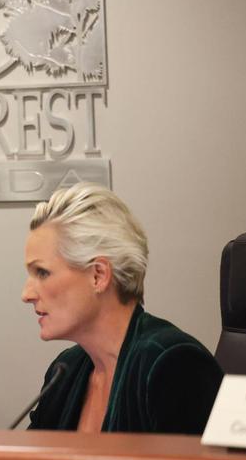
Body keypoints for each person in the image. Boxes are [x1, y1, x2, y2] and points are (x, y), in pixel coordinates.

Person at [21, 183, 222, 433]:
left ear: (98, 275)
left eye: (42, 272)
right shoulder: (65, 371)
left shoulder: (173, 365)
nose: (26, 294)